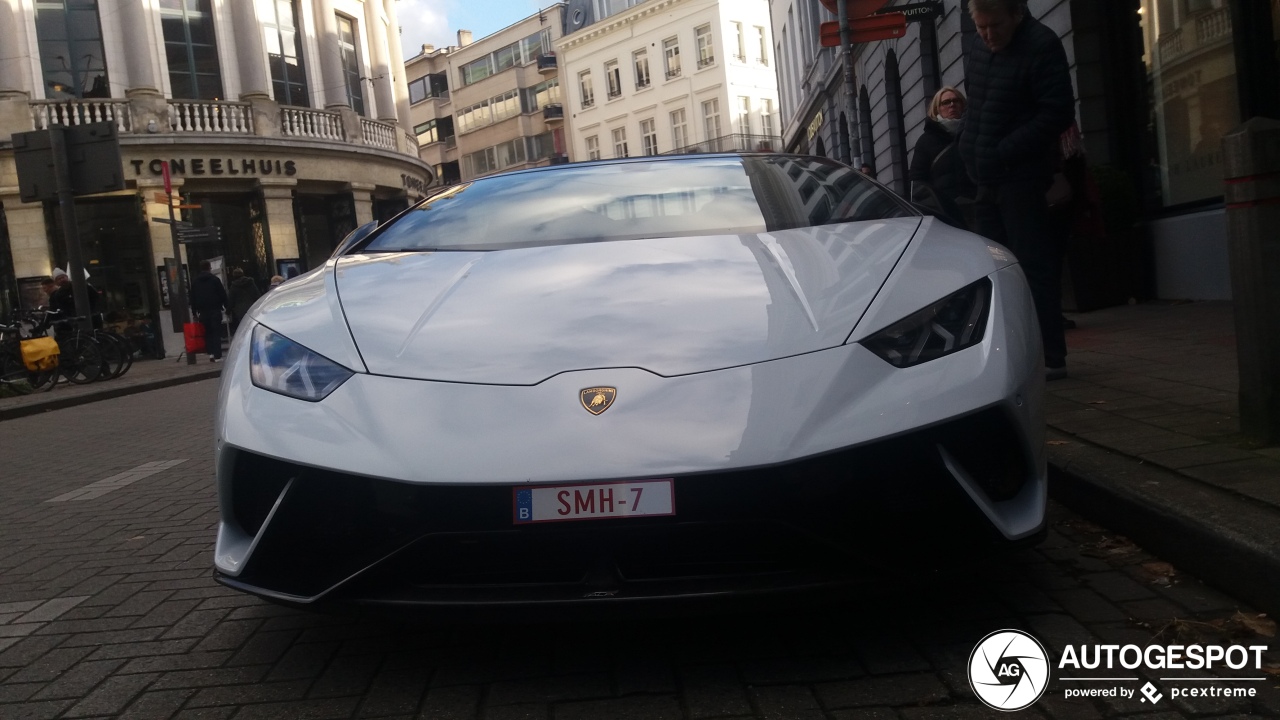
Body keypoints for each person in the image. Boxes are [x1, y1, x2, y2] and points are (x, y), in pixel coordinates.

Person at [959, 0, 1075, 380]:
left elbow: (1057, 112)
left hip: (1022, 176)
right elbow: (977, 103)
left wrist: (1004, 151)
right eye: (981, 28)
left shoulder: (1041, 44)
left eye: (995, 26)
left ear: (1016, 15)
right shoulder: (978, 46)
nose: (989, 36)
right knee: (994, 271)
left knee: (1033, 266)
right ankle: (1008, 357)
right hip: (987, 176)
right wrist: (970, 149)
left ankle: (1051, 357)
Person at [909, 86, 976, 230]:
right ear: (937, 109)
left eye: (956, 100)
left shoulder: (974, 132)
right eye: (945, 102)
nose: (952, 105)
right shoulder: (926, 141)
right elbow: (918, 182)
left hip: (978, 208)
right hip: (947, 213)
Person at [188, 260, 228, 362]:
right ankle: (217, 355)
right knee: (216, 332)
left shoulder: (195, 282)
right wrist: (227, 307)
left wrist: (194, 312)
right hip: (215, 310)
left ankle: (210, 353)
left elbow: (192, 298)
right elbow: (222, 295)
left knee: (208, 333)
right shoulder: (215, 280)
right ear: (209, 267)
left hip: (202, 312)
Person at [226, 267, 261, 334]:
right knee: (252, 325)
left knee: (243, 327)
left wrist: (228, 311)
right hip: (252, 307)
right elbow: (257, 294)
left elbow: (231, 300)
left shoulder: (233, 286)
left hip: (240, 310)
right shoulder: (251, 283)